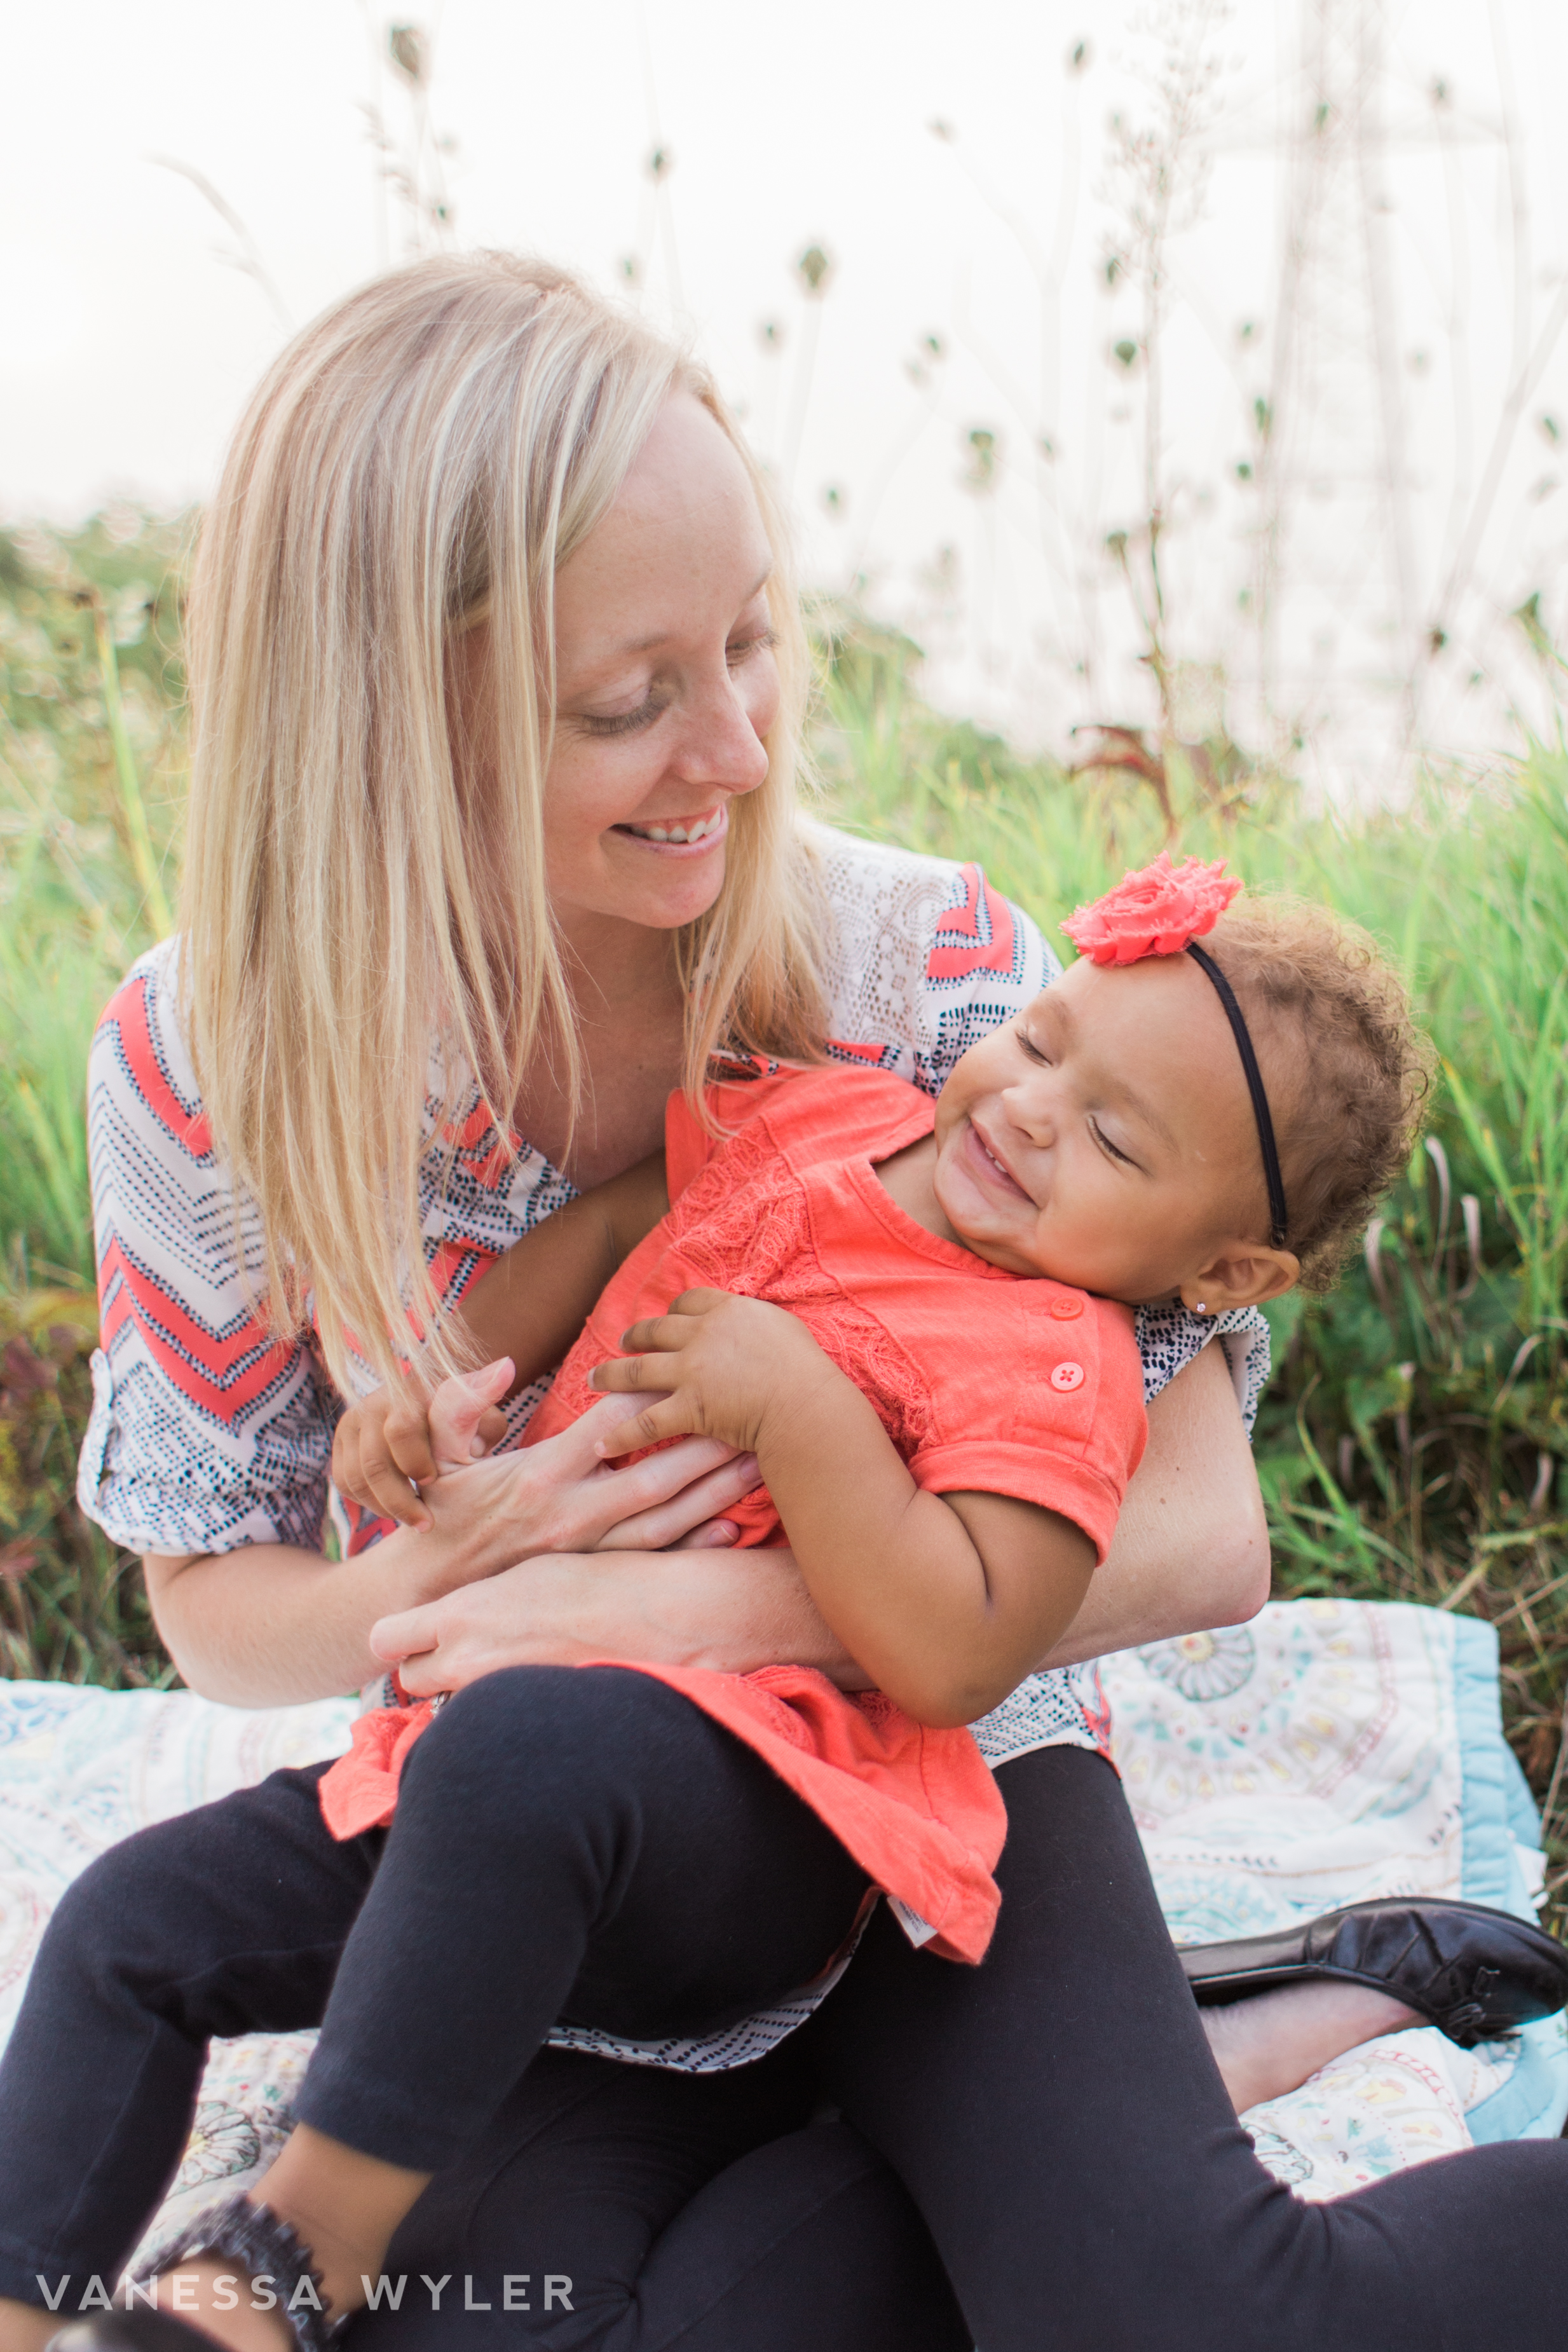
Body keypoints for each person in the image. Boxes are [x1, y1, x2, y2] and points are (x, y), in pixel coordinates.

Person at [0, 252, 1554, 2352]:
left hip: (936, 1752)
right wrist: (457, 1561)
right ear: (394, 711)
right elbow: (220, 1601)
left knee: (1168, 2315)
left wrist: (687, 1607)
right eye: (630, 694)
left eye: (748, 642)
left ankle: (1138, 2078)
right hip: (556, 1819)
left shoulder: (936, 985)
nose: (735, 745)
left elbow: (1197, 1533)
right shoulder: (211, 1060)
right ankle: (1155, 2067)